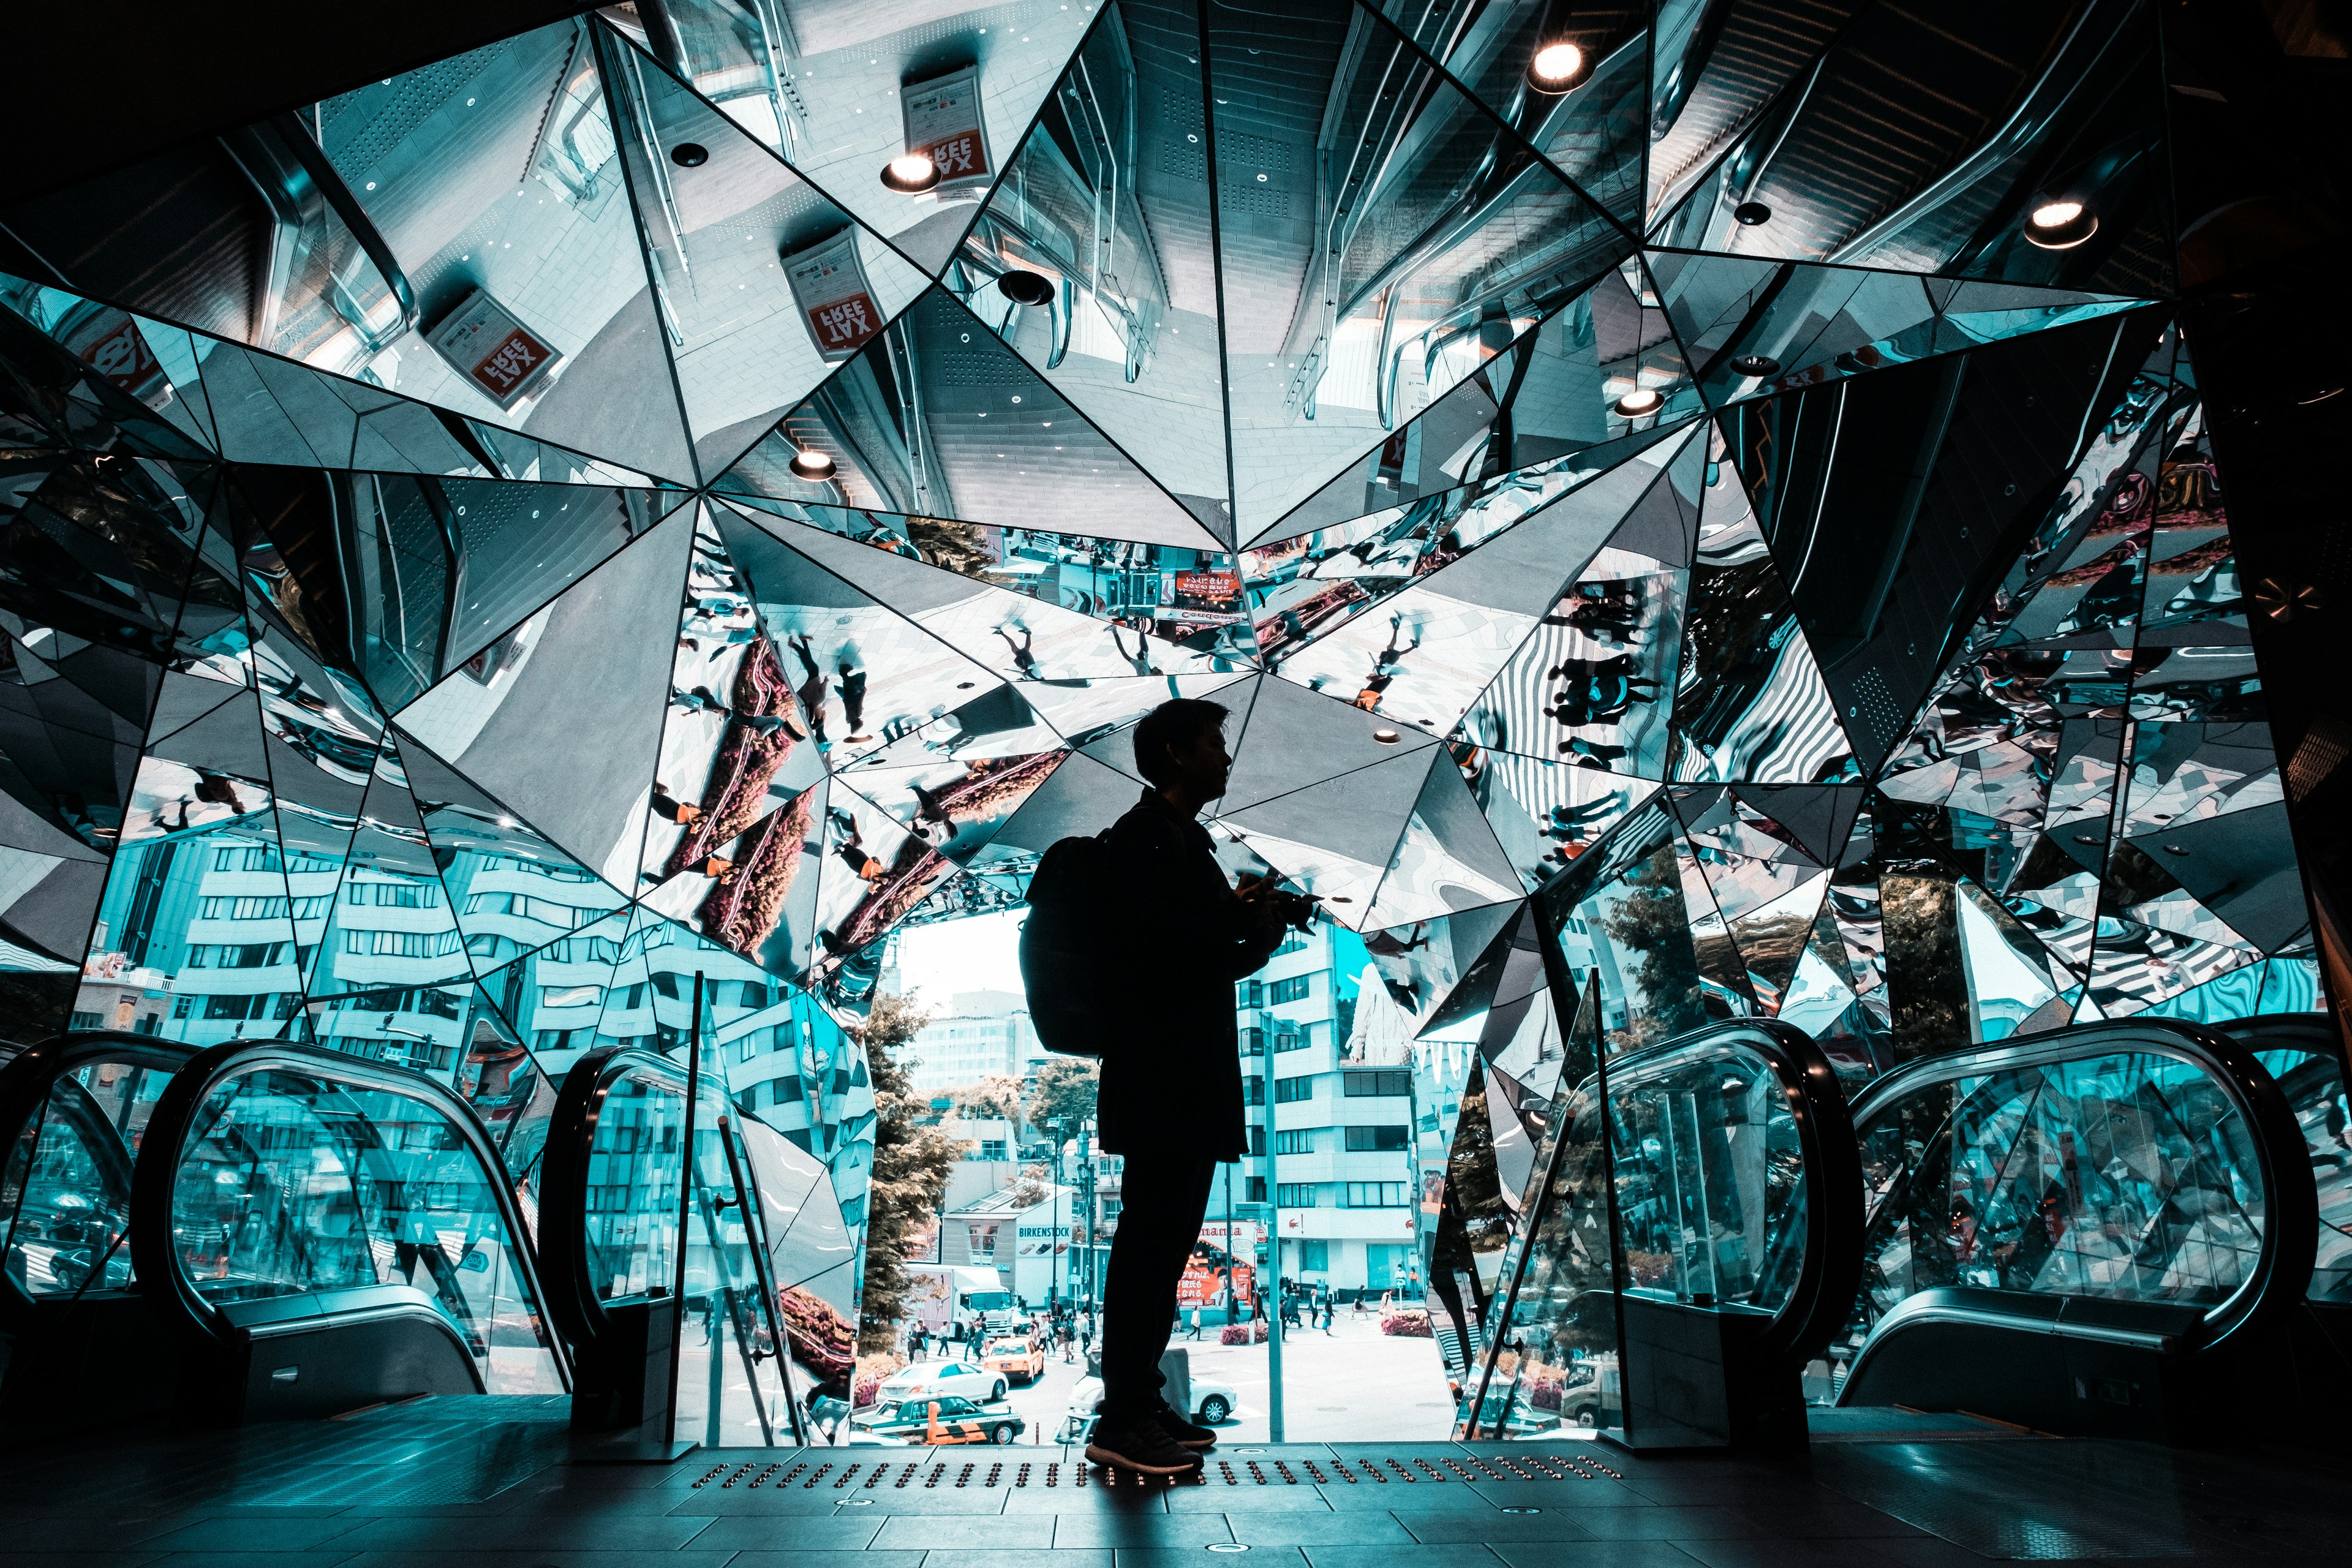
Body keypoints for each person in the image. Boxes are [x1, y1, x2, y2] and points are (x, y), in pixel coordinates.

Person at [1083, 697, 1295, 1477]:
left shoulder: (1177, 842)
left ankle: (1138, 1400)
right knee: (1149, 1246)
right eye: (1213, 742)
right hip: (1164, 1077)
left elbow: (1192, 950)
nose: (1225, 756)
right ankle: (1121, 1415)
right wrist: (1248, 929)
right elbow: (1163, 953)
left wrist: (1245, 925)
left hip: (1179, 1075)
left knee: (1164, 1247)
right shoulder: (1146, 839)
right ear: (1174, 754)